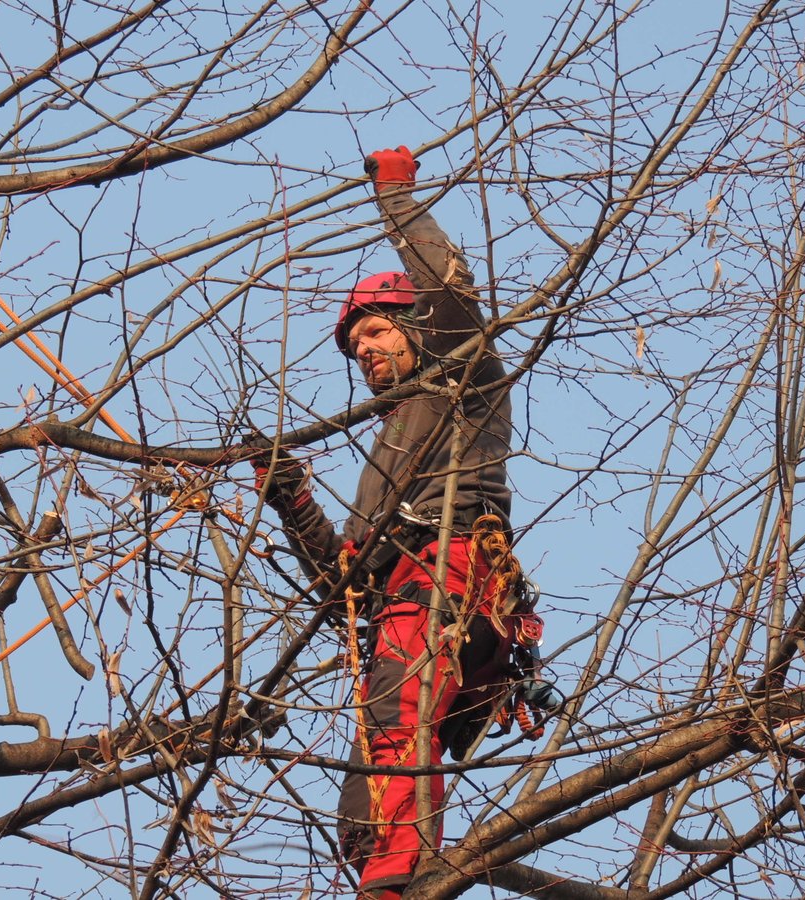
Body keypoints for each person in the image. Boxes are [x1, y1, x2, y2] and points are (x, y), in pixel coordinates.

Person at [254, 146, 553, 898]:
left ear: (417, 326)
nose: (363, 351)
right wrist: (290, 497)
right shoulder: (386, 457)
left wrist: (394, 193)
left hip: (451, 576)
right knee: (372, 759)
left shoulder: (464, 379)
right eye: (356, 346)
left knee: (397, 715)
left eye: (376, 333)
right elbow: (343, 586)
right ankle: (383, 875)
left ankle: (397, 873)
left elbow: (447, 282)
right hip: (406, 601)